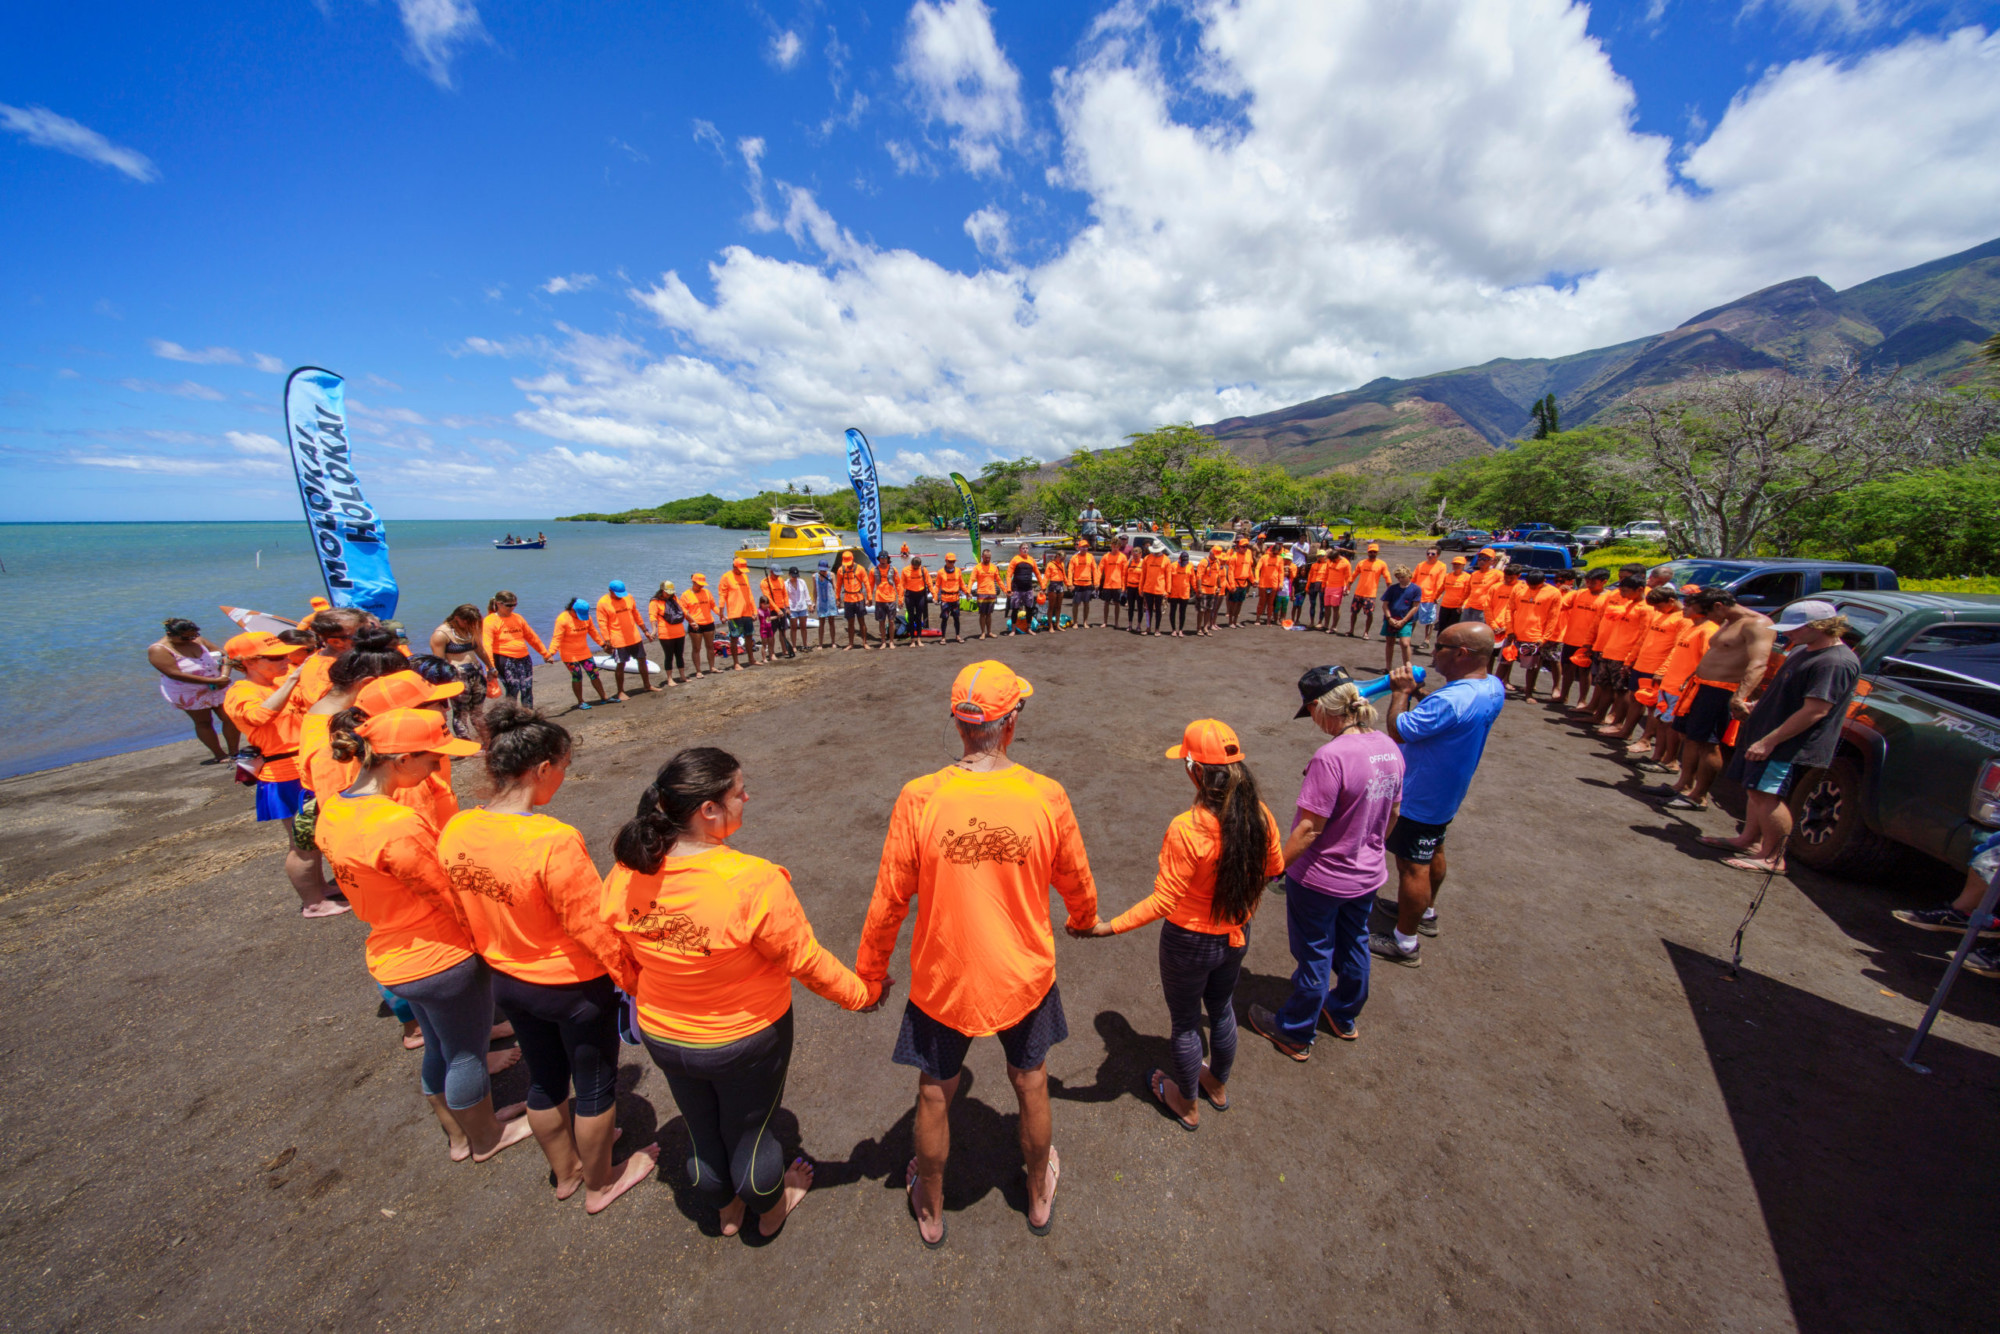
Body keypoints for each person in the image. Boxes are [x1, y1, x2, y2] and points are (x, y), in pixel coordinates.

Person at [857, 661, 1098, 1245]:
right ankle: (1038, 1192)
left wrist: (870, 973)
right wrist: (1083, 919)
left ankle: (932, 1205)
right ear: (1010, 722)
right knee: (1030, 1080)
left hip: (946, 975)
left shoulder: (920, 797)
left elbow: (889, 896)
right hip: (1022, 975)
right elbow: (1076, 879)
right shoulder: (1045, 794)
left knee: (935, 1090)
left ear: (960, 725)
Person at [605, 748, 888, 1239]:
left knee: (700, 1126)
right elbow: (806, 961)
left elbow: (614, 952)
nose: (747, 797)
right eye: (739, 791)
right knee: (751, 1134)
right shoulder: (751, 881)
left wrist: (647, 991)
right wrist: (861, 995)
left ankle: (724, 1209)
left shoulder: (625, 873)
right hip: (743, 1037)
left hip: (663, 1033)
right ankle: (770, 1209)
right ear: (708, 809)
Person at [437, 704, 657, 1212]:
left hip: (507, 980)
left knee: (544, 1078)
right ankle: (602, 1181)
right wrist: (633, 979)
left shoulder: (457, 829)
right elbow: (591, 925)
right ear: (541, 770)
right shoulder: (551, 840)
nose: (562, 778)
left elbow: (460, 907)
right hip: (572, 987)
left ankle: (566, 1172)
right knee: (596, 1083)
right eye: (562, 768)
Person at [317, 706, 533, 1162]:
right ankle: (487, 1136)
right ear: (399, 760)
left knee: (438, 1046)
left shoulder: (335, 809)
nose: (439, 767)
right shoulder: (396, 826)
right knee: (466, 1054)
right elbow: (447, 896)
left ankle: (458, 1133)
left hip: (390, 951)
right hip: (441, 957)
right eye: (432, 759)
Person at [1078, 719, 1281, 1127]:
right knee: (1221, 1010)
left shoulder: (1186, 828)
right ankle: (1217, 1085)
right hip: (1237, 934)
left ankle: (1187, 1104)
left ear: (1197, 771)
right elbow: (1274, 869)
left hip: (1189, 943)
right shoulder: (1260, 814)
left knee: (1187, 1024)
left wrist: (1109, 926)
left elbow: (1164, 901)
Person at [1247, 669, 1404, 1056]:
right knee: (1355, 943)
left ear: (1319, 707)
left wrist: (1273, 868)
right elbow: (1395, 812)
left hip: (1321, 878)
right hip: (1367, 873)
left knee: (1315, 951)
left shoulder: (1330, 756)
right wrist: (1366, 847)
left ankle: (1296, 1030)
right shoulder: (1388, 745)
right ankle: (1344, 1014)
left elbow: (1308, 830)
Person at [1371, 622, 1506, 966]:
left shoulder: (1452, 698)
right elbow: (1447, 714)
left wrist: (1401, 691)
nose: (1433, 652)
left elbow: (1400, 730)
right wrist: (1421, 696)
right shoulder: (1491, 686)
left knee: (1411, 865)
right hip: (1447, 791)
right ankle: (1424, 912)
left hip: (1420, 794)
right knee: (1435, 849)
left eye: (1440, 646)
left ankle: (1404, 942)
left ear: (1461, 653)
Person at [1704, 602, 1861, 873]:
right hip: (1767, 733)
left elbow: (1815, 710)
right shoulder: (1805, 650)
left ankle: (1773, 857)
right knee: (1755, 789)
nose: (1788, 635)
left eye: (1794, 629)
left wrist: (1770, 741)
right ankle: (1749, 840)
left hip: (1789, 743)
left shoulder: (1834, 662)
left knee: (1768, 793)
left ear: (1819, 627)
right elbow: (1788, 692)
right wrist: (1759, 707)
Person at [222, 631, 348, 919]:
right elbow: (258, 717)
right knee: (302, 841)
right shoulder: (240, 692)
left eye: (286, 655)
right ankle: (313, 902)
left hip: (306, 766)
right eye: (276, 657)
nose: (286, 661)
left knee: (317, 835)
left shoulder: (280, 680)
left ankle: (320, 887)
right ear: (248, 663)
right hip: (283, 775)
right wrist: (291, 679)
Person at [1649, 590, 1773, 813]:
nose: (1708, 619)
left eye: (1708, 613)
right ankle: (1683, 785)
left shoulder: (1756, 624)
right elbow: (1715, 653)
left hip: (1722, 691)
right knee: (1688, 736)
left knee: (1708, 743)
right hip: (1699, 686)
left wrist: (1739, 696)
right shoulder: (1728, 622)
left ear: (1718, 605)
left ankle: (1698, 796)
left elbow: (1759, 663)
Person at [150, 618, 238, 763]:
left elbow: (225, 656)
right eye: (186, 637)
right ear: (169, 633)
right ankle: (220, 755)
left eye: (193, 636)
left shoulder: (199, 640)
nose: (190, 639)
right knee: (204, 722)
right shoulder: (159, 649)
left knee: (231, 717)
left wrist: (224, 676)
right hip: (188, 691)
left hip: (218, 685)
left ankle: (234, 751)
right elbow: (173, 673)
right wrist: (212, 681)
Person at [429, 604, 496, 739]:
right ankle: (466, 744)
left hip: (476, 673)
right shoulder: (441, 634)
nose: (470, 625)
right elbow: (439, 663)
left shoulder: (470, 630)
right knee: (461, 713)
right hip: (458, 676)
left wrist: (491, 667)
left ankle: (487, 742)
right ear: (457, 618)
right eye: (467, 622)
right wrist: (444, 685)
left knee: (478, 711)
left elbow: (480, 650)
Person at [482, 591, 548, 707]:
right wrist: (490, 668)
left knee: (527, 688)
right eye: (509, 605)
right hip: (504, 659)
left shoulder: (518, 618)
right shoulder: (490, 621)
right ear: (498, 604)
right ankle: (510, 716)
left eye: (514, 605)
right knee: (513, 689)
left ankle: (528, 715)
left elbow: (531, 637)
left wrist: (545, 653)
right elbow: (487, 645)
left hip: (524, 658)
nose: (512, 608)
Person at [1507, 570, 1562, 702]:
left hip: (1535, 636)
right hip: (1515, 633)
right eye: (1529, 585)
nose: (1531, 588)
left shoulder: (1553, 593)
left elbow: (1553, 618)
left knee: (1532, 666)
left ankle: (1529, 693)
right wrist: (1509, 630)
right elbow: (1509, 609)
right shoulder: (1519, 589)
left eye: (1535, 586)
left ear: (1543, 582)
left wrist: (1544, 638)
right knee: (1505, 661)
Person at [595, 580, 656, 697]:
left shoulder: (628, 597)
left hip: (634, 636)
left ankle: (647, 685)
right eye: (617, 594)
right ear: (610, 591)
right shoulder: (603, 603)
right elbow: (602, 623)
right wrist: (607, 641)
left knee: (642, 659)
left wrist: (645, 631)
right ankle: (621, 692)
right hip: (618, 639)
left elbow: (636, 614)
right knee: (621, 664)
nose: (620, 596)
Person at [548, 597, 609, 709]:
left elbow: (593, 632)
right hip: (569, 654)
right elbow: (557, 638)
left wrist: (603, 644)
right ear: (572, 609)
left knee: (594, 673)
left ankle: (604, 697)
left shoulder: (586, 617)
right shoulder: (563, 619)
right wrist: (551, 653)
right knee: (577, 676)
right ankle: (580, 701)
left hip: (584, 651)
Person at [718, 558, 758, 670]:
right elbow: (722, 596)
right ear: (734, 566)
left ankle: (751, 659)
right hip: (734, 614)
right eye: (740, 569)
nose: (742, 571)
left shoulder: (745, 576)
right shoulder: (726, 577)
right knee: (734, 638)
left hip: (747, 612)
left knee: (749, 636)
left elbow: (749, 594)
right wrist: (721, 613)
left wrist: (754, 611)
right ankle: (736, 663)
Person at [647, 583, 688, 688]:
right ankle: (670, 679)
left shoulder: (674, 598)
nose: (669, 595)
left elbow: (683, 611)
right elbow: (653, 617)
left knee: (679, 655)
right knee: (669, 656)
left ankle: (682, 676)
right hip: (666, 634)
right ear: (662, 590)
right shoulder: (655, 602)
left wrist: (692, 621)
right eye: (667, 593)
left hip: (679, 632)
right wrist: (654, 630)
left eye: (671, 593)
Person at [1379, 566, 1421, 671]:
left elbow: (1415, 606)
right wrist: (1389, 618)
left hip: (1405, 620)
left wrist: (1404, 621)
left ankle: (1407, 667)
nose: (1400, 579)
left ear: (1408, 576)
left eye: (1402, 577)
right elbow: (1385, 605)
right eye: (1398, 577)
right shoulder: (1392, 589)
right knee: (1390, 643)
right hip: (1391, 619)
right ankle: (1388, 667)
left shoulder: (1416, 589)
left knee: (1405, 643)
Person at [1345, 544, 1390, 637]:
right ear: (1367, 552)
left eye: (1374, 552)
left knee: (1369, 614)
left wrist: (1389, 590)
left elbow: (1387, 577)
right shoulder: (1361, 563)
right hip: (1358, 592)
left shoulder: (1381, 564)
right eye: (1370, 552)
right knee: (1354, 612)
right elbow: (1353, 576)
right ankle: (1351, 630)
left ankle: (1366, 632)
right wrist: (1348, 587)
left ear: (1377, 552)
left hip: (1370, 594)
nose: (1372, 553)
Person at [682, 574, 719, 675]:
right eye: (699, 584)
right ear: (693, 582)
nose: (702, 586)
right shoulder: (686, 595)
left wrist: (720, 614)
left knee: (710, 646)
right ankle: (698, 671)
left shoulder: (707, 592)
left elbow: (713, 606)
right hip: (696, 625)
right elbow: (684, 611)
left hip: (709, 623)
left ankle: (712, 667)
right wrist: (691, 621)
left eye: (703, 584)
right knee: (696, 648)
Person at [834, 551, 872, 649]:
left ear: (853, 559)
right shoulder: (840, 570)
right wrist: (837, 599)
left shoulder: (860, 569)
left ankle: (864, 643)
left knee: (861, 621)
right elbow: (838, 586)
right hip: (848, 599)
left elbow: (867, 584)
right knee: (850, 623)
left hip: (859, 598)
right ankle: (850, 643)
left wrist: (869, 598)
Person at [1411, 548, 1447, 649]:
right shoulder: (1421, 565)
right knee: (1412, 619)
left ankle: (1426, 640)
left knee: (1429, 621)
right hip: (1416, 597)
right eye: (1428, 553)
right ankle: (1407, 637)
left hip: (1429, 597)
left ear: (1438, 555)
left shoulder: (1441, 566)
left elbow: (1440, 582)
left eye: (1433, 554)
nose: (1430, 555)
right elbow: (1413, 579)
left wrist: (1437, 596)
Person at [759, 566, 794, 659]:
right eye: (775, 574)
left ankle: (784, 650)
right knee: (771, 633)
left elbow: (785, 594)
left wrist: (787, 607)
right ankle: (771, 653)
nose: (777, 576)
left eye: (778, 574)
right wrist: (776, 610)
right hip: (771, 610)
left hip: (782, 608)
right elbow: (768, 598)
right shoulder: (764, 582)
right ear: (771, 572)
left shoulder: (781, 580)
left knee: (783, 631)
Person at [1006, 543, 1041, 636]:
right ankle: (1013, 629)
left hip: (1028, 588)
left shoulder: (1031, 560)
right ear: (1019, 549)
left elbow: (1037, 573)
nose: (1025, 550)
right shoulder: (1015, 559)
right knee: (1015, 609)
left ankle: (1028, 628)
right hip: (1017, 589)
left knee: (1029, 609)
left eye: (1026, 548)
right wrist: (1009, 589)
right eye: (1023, 548)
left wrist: (1043, 585)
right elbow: (1009, 575)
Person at [900, 555, 932, 648]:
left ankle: (918, 639)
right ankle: (912, 640)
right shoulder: (905, 570)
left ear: (920, 565)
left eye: (917, 567)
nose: (915, 569)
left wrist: (934, 595)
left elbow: (929, 582)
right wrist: (900, 599)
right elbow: (902, 585)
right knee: (911, 617)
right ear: (911, 564)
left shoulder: (923, 570)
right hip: (909, 595)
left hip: (920, 595)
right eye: (914, 567)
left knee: (919, 617)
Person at [934, 553, 966, 643]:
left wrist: (967, 592)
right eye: (950, 561)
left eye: (953, 561)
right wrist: (935, 596)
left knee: (956, 618)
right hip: (945, 599)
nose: (952, 563)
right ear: (946, 561)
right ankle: (943, 637)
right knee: (945, 618)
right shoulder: (940, 572)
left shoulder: (958, 571)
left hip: (955, 598)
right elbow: (937, 586)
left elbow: (962, 583)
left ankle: (958, 636)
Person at [1098, 538, 1130, 628]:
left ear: (1119, 547)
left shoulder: (1123, 557)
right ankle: (1105, 622)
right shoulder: (1106, 556)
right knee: (1106, 603)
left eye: (1117, 547)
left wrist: (1124, 586)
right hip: (1107, 584)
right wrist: (1097, 582)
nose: (1115, 548)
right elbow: (1099, 569)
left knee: (1117, 604)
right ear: (1111, 546)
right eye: (1113, 546)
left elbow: (1124, 573)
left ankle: (1116, 622)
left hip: (1118, 584)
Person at [972, 548, 1002, 639]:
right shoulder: (977, 567)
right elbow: (971, 580)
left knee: (989, 614)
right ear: (982, 557)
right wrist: (967, 591)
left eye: (989, 558)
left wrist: (1006, 590)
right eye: (986, 557)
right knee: (982, 614)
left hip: (991, 593)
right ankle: (983, 633)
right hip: (981, 593)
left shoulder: (994, 567)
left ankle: (989, 632)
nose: (988, 559)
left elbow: (999, 580)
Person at [1434, 555, 1470, 633]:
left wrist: (1462, 605)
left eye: (1458, 564)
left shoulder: (1467, 577)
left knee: (1452, 628)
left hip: (1456, 607)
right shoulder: (1448, 576)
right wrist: (1435, 597)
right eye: (1454, 564)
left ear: (1463, 565)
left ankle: (1449, 645)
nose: (1456, 566)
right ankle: (1440, 644)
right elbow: (1441, 588)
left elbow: (1467, 593)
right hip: (1445, 605)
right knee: (1442, 627)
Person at [1320, 546, 1352, 632]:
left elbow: (1348, 577)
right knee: (1326, 606)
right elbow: (1326, 573)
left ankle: (1333, 627)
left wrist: (1348, 589)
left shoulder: (1345, 563)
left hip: (1338, 587)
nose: (1332, 562)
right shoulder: (1330, 560)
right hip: (1328, 586)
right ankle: (1326, 625)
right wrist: (1323, 585)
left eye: (1334, 560)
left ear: (1338, 556)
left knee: (1335, 607)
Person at [1066, 541, 1096, 632]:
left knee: (1086, 604)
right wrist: (1070, 584)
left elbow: (1095, 570)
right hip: (1077, 584)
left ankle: (1085, 622)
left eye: (1086, 547)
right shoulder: (1074, 558)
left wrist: (1096, 582)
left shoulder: (1090, 557)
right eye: (1082, 547)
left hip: (1087, 584)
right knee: (1076, 604)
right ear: (1078, 548)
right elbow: (1070, 571)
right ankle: (1075, 622)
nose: (1084, 549)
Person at [871, 554, 900, 648]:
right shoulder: (873, 570)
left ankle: (891, 641)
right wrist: (869, 598)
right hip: (879, 599)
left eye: (885, 558)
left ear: (888, 559)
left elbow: (898, 584)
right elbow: (870, 585)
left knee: (891, 621)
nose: (883, 560)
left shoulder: (893, 569)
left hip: (891, 598)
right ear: (879, 559)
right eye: (881, 558)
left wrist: (901, 598)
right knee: (881, 621)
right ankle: (883, 641)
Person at [783, 567, 813, 653]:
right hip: (792, 608)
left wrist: (810, 604)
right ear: (789, 575)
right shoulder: (786, 584)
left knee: (803, 627)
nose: (795, 578)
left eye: (796, 576)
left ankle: (805, 644)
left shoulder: (802, 582)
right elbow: (785, 597)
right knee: (794, 628)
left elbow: (806, 594)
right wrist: (786, 607)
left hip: (802, 607)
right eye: (793, 576)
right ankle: (794, 646)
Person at [1166, 551, 1195, 637]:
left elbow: (1193, 579)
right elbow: (1169, 579)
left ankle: (1181, 630)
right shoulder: (1173, 565)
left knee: (1182, 612)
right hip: (1174, 593)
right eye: (1183, 562)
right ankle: (1174, 630)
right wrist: (1167, 592)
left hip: (1185, 593)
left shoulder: (1190, 565)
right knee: (1173, 611)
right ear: (1180, 559)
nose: (1184, 563)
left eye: (1186, 562)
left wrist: (1197, 590)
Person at [814, 561, 839, 649]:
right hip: (821, 602)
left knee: (831, 622)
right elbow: (814, 590)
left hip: (830, 601)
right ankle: (820, 643)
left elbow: (835, 588)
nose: (823, 572)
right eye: (821, 570)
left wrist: (837, 599)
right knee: (821, 623)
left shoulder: (831, 575)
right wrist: (814, 602)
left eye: (824, 570)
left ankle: (833, 642)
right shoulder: (815, 576)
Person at [1042, 549, 1067, 631]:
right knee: (1051, 606)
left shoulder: (1062, 564)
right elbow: (1046, 577)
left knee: (1059, 606)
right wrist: (1043, 587)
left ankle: (1057, 624)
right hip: (1053, 585)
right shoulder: (1050, 564)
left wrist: (1068, 584)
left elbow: (1064, 575)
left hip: (1060, 584)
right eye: (1062, 558)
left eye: (1063, 559)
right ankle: (1050, 626)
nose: (1062, 560)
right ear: (1058, 556)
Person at [756, 597, 778, 664]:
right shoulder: (759, 611)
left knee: (771, 643)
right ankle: (764, 658)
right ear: (761, 604)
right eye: (764, 604)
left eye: (767, 604)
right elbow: (756, 617)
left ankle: (771, 655)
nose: (766, 605)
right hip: (763, 629)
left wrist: (777, 617)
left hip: (769, 628)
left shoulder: (768, 610)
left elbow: (768, 619)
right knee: (764, 644)